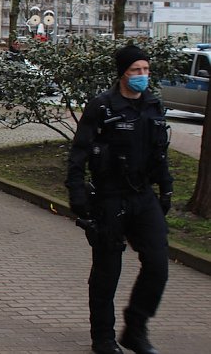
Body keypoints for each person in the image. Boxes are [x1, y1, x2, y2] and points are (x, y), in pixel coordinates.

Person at [65, 45, 172, 354]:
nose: (142, 75)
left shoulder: (152, 105)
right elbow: (79, 153)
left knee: (158, 264)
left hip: (143, 196)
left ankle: (135, 328)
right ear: (123, 73)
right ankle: (103, 338)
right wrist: (77, 192)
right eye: (136, 70)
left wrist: (166, 188)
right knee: (106, 272)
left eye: (146, 70)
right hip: (109, 198)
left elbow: (160, 153)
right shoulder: (102, 106)